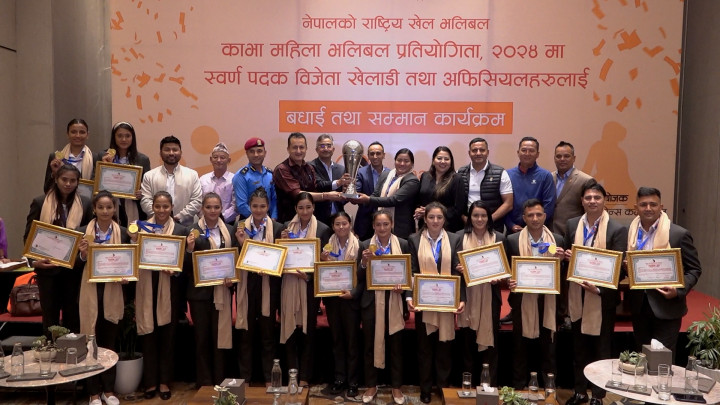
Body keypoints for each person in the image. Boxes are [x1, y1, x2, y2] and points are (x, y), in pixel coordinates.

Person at [562, 181, 627, 405]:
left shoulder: (617, 229)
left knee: (601, 349)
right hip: (577, 294)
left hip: (602, 297)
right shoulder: (572, 225)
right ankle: (580, 391)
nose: (592, 201)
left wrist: (599, 289)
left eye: (597, 198)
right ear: (582, 201)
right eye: (588, 198)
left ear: (604, 200)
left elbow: (620, 269)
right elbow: (568, 258)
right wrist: (566, 257)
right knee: (578, 348)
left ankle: (598, 395)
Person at [626, 187, 702, 354]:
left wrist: (678, 290)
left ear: (661, 207)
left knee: (662, 359)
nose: (648, 208)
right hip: (639, 307)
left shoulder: (678, 234)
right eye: (643, 204)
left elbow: (694, 269)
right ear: (635, 207)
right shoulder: (629, 233)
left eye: (653, 204)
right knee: (640, 357)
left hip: (667, 307)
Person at [136, 191, 196, 400]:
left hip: (171, 289)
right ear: (152, 207)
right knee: (148, 336)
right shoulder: (141, 228)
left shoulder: (181, 230)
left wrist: (181, 263)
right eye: (158, 206)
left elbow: (187, 265)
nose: (161, 210)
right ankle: (150, 382)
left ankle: (164, 382)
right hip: (146, 288)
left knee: (168, 338)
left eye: (165, 206)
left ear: (172, 208)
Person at [77, 190, 135, 405]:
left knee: (109, 344)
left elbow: (130, 261)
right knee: (90, 343)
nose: (105, 211)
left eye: (109, 207)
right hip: (89, 292)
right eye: (100, 207)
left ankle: (108, 391)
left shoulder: (123, 233)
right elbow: (72, 265)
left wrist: (127, 276)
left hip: (113, 293)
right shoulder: (82, 232)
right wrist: (83, 255)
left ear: (114, 209)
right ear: (94, 209)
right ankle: (93, 392)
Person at [407, 202, 465, 404]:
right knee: (424, 348)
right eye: (431, 217)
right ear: (425, 219)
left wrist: (462, 298)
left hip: (447, 301)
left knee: (444, 347)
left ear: (444, 220)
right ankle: (425, 389)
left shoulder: (455, 239)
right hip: (424, 302)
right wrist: (409, 297)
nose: (435, 221)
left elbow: (459, 271)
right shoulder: (414, 239)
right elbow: (411, 270)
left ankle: (442, 387)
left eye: (439, 217)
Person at [24, 164, 93, 333]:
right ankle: (51, 348)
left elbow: (88, 233)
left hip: (74, 270)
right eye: (64, 179)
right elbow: (28, 236)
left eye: (73, 181)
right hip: (47, 269)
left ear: (78, 182)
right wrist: (34, 262)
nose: (68, 184)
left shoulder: (86, 203)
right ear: (56, 179)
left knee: (73, 316)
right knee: (50, 317)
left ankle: (72, 348)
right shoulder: (40, 202)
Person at [505, 199, 565, 390]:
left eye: (539, 214)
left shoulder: (558, 240)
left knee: (548, 348)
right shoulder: (512, 240)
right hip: (522, 300)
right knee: (519, 348)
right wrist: (508, 280)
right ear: (524, 218)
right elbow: (506, 270)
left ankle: (549, 388)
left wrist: (562, 261)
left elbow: (563, 275)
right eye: (530, 215)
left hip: (548, 301)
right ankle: (518, 388)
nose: (535, 218)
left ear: (545, 216)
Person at [357, 210, 411, 405]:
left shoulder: (403, 244)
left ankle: (396, 387)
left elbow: (409, 272)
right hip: (371, 302)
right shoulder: (365, 245)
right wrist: (364, 263)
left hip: (394, 300)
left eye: (385, 224)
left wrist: (404, 287)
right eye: (378, 224)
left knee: (396, 346)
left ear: (392, 225)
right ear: (373, 226)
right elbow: (358, 277)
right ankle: (371, 385)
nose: (382, 228)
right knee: (370, 345)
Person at [187, 193, 240, 387]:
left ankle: (221, 380)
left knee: (220, 338)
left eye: (216, 207)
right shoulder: (192, 231)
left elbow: (236, 259)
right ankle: (205, 382)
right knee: (202, 338)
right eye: (208, 207)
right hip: (199, 294)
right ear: (202, 209)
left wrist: (232, 279)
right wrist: (189, 249)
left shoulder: (231, 231)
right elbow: (186, 264)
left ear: (221, 208)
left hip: (222, 292)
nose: (212, 210)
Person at [279, 192, 332, 386]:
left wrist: (308, 277)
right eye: (300, 208)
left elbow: (324, 263)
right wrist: (281, 242)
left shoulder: (323, 230)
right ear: (295, 209)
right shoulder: (286, 227)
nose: (304, 211)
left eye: (308, 207)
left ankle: (305, 377)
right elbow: (279, 259)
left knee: (308, 332)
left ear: (313, 208)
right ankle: (292, 375)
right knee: (290, 330)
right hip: (288, 285)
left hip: (309, 287)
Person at [234, 187, 285, 385]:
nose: (258, 210)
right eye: (255, 206)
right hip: (246, 285)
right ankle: (245, 379)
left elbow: (281, 259)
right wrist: (241, 244)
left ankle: (269, 379)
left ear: (268, 206)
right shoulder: (239, 227)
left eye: (262, 206)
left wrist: (270, 268)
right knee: (245, 335)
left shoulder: (278, 228)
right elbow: (233, 257)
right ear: (249, 206)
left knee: (267, 335)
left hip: (268, 286)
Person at [456, 201, 505, 387]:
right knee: (467, 344)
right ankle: (467, 385)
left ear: (489, 217)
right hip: (467, 297)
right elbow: (453, 265)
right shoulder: (459, 237)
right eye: (475, 215)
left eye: (483, 215)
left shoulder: (499, 238)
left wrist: (499, 278)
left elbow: (507, 269)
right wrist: (459, 268)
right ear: (470, 217)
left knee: (491, 345)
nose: (479, 219)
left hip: (490, 297)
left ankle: (488, 386)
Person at [319, 212, 361, 397]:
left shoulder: (360, 246)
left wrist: (353, 294)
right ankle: (339, 378)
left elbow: (362, 276)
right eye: (337, 224)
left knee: (352, 341)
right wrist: (323, 261)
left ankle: (353, 381)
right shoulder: (327, 246)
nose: (341, 227)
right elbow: (321, 273)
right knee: (337, 340)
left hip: (350, 299)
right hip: (333, 298)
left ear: (350, 224)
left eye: (344, 223)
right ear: (333, 226)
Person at [273, 132, 345, 223]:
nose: (298, 151)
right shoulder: (282, 169)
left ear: (306, 149)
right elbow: (298, 195)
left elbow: (315, 190)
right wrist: (327, 195)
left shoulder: (309, 168)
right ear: (288, 149)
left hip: (310, 221)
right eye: (295, 147)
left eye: (301, 147)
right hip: (289, 222)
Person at [350, 148, 420, 238]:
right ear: (395, 161)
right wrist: (358, 198)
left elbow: (394, 200)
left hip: (400, 229)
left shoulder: (412, 180)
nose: (402, 164)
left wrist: (368, 199)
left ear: (412, 164)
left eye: (406, 161)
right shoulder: (386, 174)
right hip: (381, 225)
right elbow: (376, 194)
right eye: (399, 160)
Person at [140, 135, 203, 226]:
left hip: (184, 226)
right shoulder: (149, 176)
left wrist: (180, 217)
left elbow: (196, 201)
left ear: (180, 152)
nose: (171, 153)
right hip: (156, 226)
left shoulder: (192, 175)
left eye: (175, 150)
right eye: (167, 150)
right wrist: (161, 216)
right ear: (160, 153)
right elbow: (145, 200)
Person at [98, 121, 152, 226]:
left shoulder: (142, 159)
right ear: (114, 137)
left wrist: (142, 192)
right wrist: (105, 166)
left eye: (127, 136)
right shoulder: (103, 156)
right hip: (109, 205)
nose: (123, 139)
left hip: (133, 206)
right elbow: (95, 181)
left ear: (133, 137)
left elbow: (147, 186)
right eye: (120, 136)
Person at [456, 137, 513, 233]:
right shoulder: (459, 173)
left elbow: (508, 203)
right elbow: (454, 202)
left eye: (482, 150)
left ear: (488, 152)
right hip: (466, 227)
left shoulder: (500, 173)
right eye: (474, 150)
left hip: (493, 227)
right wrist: (465, 219)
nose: (478, 153)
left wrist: (488, 220)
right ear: (469, 153)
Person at [505, 137, 556, 233]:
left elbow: (549, 205)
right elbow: (503, 204)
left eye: (531, 151)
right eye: (524, 150)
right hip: (513, 231)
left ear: (537, 154)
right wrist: (511, 225)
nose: (527, 154)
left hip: (538, 230)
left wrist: (534, 224)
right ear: (518, 152)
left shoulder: (545, 176)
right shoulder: (507, 175)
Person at [414, 146, 463, 232]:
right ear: (433, 161)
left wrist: (431, 213)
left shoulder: (456, 179)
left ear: (451, 162)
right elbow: (419, 200)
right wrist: (418, 210)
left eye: (446, 159)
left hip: (448, 227)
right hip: (425, 226)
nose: (443, 161)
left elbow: (458, 209)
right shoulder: (425, 176)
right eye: (439, 158)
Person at [552, 141, 593, 238]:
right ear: (554, 158)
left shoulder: (585, 180)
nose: (562, 159)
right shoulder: (548, 178)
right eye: (558, 156)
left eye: (566, 156)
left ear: (574, 158)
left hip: (573, 234)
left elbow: (590, 212)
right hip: (550, 234)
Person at [308, 134, 351, 226]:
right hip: (318, 217)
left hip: (338, 218)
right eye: (322, 146)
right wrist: (338, 183)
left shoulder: (341, 169)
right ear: (316, 150)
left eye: (329, 146)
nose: (326, 149)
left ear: (333, 149)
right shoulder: (310, 166)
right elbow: (318, 185)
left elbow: (343, 195)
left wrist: (346, 192)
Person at [43, 118, 94, 193]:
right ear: (67, 134)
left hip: (85, 199)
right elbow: (47, 189)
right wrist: (55, 174)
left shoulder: (94, 158)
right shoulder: (56, 157)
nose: (78, 135)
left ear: (87, 135)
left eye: (82, 132)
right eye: (73, 132)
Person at [232, 137, 278, 220]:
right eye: (252, 151)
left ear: (265, 153)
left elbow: (274, 199)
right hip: (248, 221)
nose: (256, 155)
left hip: (269, 220)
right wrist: (262, 220)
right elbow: (242, 205)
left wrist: (273, 218)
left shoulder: (270, 174)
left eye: (259, 151)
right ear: (247, 154)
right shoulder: (241, 176)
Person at [353, 141, 389, 240]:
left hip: (385, 221)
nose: (375, 156)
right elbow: (356, 194)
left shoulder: (391, 173)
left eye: (378, 153)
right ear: (368, 156)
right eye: (372, 154)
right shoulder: (360, 172)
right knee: (365, 249)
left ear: (383, 155)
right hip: (365, 221)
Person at [199, 142, 237, 224]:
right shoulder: (203, 179)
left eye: (222, 158)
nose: (219, 160)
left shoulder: (234, 180)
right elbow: (198, 202)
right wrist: (206, 218)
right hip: (204, 223)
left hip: (227, 223)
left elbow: (235, 205)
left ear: (229, 160)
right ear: (211, 159)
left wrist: (220, 219)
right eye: (215, 157)